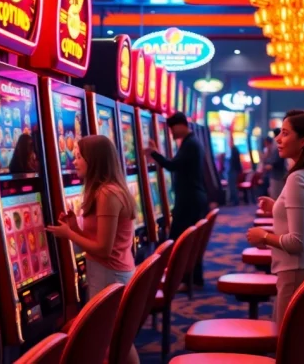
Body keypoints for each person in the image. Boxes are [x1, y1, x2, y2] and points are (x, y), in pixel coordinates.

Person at [246, 110, 304, 326]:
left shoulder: (299, 178)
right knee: (303, 338)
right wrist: (277, 207)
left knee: (287, 341)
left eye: (285, 133)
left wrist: (263, 236)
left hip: (298, 271)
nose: (278, 139)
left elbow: (297, 242)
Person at [46, 135, 137, 298]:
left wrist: (69, 234)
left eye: (79, 157)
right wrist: (74, 227)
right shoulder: (110, 189)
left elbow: (103, 250)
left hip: (110, 275)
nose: (74, 162)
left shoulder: (107, 194)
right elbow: (97, 242)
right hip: (113, 272)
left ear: (94, 160)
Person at [147, 112, 208, 286]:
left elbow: (172, 165)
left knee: (176, 242)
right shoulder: (192, 142)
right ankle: (192, 278)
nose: (171, 133)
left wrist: (154, 153)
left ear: (181, 125)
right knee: (187, 242)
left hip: (189, 200)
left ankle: (177, 281)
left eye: (172, 129)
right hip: (193, 198)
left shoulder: (190, 144)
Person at [263, 132, 288, 199]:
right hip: (275, 176)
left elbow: (273, 163)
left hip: (277, 177)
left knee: (277, 197)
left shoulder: (277, 150)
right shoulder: (272, 150)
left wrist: (267, 166)